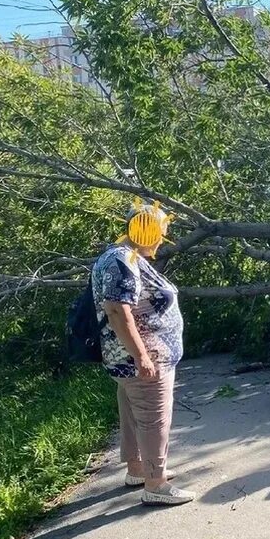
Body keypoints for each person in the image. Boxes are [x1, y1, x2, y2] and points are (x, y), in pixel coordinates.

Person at [92, 201, 194, 506]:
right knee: (153, 417)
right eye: (161, 232)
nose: (163, 239)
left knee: (133, 414)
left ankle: (138, 469)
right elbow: (116, 310)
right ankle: (155, 484)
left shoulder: (125, 256)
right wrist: (142, 356)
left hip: (131, 358)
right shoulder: (121, 260)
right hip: (140, 359)